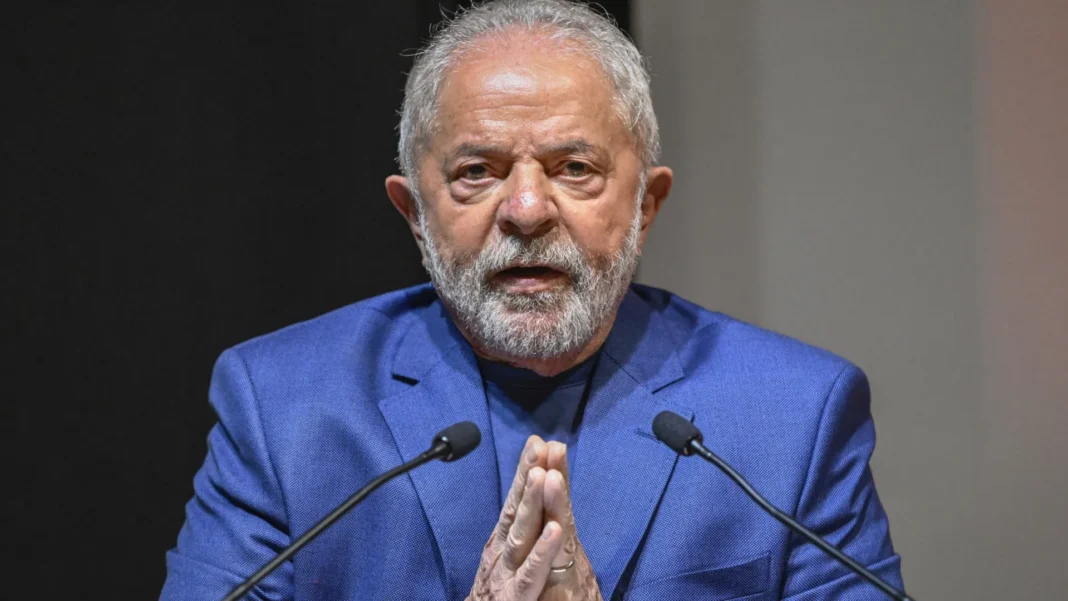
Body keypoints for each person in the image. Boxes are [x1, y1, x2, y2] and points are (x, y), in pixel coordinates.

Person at [160, 1, 904, 599]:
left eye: (573, 167)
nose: (525, 210)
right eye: (477, 171)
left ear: (646, 204)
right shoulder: (286, 406)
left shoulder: (793, 416)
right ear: (414, 215)